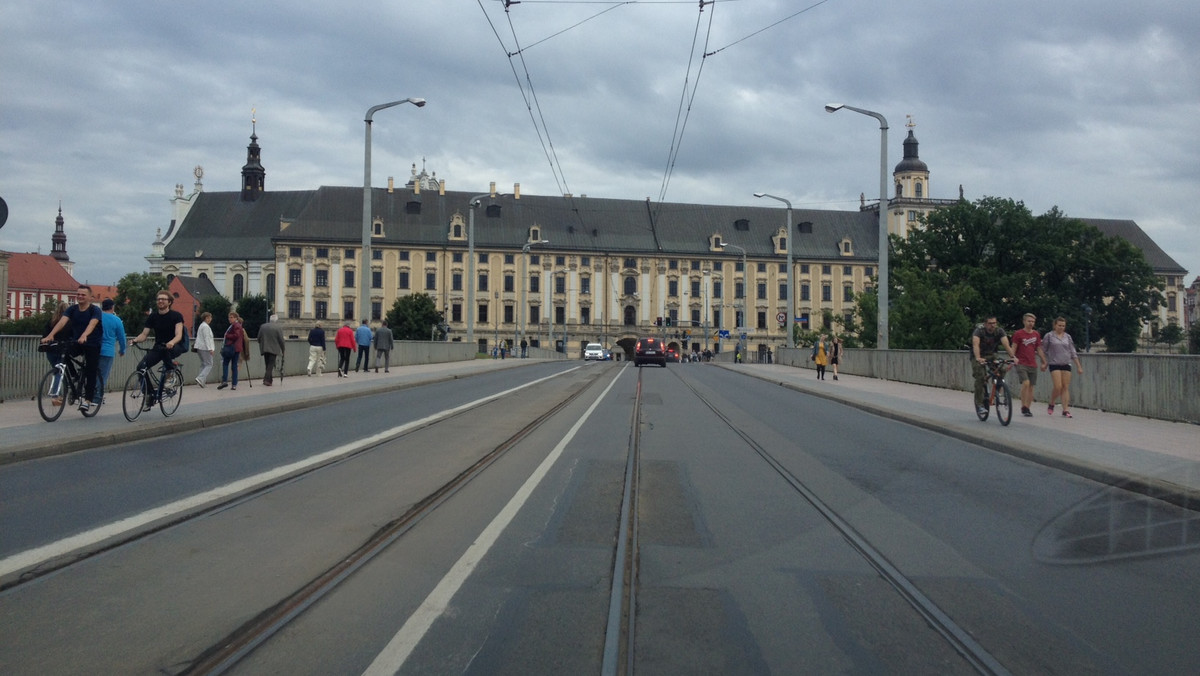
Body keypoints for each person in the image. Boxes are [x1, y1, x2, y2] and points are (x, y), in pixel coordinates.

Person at [41, 285, 103, 413]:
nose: (80, 296)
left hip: (92, 343)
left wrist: (85, 335)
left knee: (91, 369)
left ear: (90, 297)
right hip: (77, 341)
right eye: (78, 294)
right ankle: (74, 376)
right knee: (63, 352)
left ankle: (88, 400)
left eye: (83, 295)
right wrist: (51, 335)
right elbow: (62, 322)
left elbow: (92, 324)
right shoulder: (72, 309)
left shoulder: (94, 310)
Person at [129, 291, 185, 410]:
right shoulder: (153, 316)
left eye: (163, 299)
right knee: (141, 367)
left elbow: (179, 334)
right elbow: (144, 334)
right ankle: (149, 394)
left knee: (166, 352)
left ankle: (170, 374)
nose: (160, 301)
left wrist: (172, 342)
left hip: (174, 346)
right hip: (159, 347)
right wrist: (135, 340)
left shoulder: (176, 316)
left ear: (169, 302)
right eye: (158, 299)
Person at [972, 315, 1016, 418]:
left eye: (994, 323)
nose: (993, 325)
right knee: (980, 377)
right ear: (985, 324)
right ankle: (980, 404)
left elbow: (1006, 344)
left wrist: (1013, 357)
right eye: (990, 323)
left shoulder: (999, 331)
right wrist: (978, 358)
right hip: (978, 355)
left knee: (1002, 369)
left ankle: (998, 390)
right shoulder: (979, 331)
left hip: (992, 355)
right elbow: (975, 344)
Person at [1044, 316, 1084, 418]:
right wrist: (1044, 362)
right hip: (1054, 363)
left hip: (1066, 362)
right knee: (1058, 386)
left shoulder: (1068, 337)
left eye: (1063, 326)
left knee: (1065, 387)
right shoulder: (1049, 336)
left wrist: (1078, 366)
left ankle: (1065, 409)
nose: (1061, 327)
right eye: (1059, 325)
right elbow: (1043, 350)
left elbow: (1072, 351)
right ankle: (1052, 402)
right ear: (1055, 325)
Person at [1011, 313, 1048, 417]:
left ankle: (1027, 407)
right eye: (1029, 321)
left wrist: (1044, 361)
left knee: (1031, 386)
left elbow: (1039, 349)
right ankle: (1023, 405)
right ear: (1024, 321)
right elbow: (1014, 347)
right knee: (1026, 383)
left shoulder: (1036, 334)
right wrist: (1012, 358)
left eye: (1033, 322)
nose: (1031, 323)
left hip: (1032, 363)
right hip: (1021, 362)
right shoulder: (1018, 334)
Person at [97, 298, 127, 403]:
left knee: (92, 372)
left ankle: (88, 393)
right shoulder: (116, 320)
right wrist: (122, 350)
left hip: (94, 349)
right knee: (102, 375)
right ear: (112, 307)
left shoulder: (97, 317)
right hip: (107, 351)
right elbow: (121, 337)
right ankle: (97, 397)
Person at [218, 311, 246, 390]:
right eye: (229, 317)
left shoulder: (235, 325)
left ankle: (225, 381)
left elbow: (236, 335)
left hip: (231, 348)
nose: (229, 319)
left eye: (231, 317)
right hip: (236, 348)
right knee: (234, 366)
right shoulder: (237, 325)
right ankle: (234, 384)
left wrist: (227, 335)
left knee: (226, 363)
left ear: (236, 318)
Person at [258, 314, 285, 386]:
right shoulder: (278, 328)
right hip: (274, 349)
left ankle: (269, 380)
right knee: (270, 365)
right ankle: (266, 380)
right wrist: (283, 349)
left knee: (267, 364)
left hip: (264, 348)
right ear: (276, 320)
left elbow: (258, 338)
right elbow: (281, 340)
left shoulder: (263, 326)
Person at [194, 312, 215, 387]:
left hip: (200, 347)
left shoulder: (202, 325)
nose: (210, 319)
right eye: (208, 318)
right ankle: (200, 378)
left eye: (210, 317)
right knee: (209, 364)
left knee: (204, 364)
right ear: (205, 318)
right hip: (205, 348)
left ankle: (201, 381)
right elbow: (207, 338)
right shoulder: (206, 327)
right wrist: (210, 349)